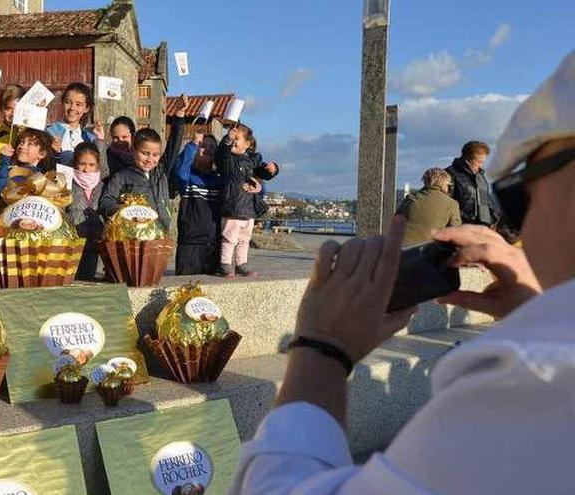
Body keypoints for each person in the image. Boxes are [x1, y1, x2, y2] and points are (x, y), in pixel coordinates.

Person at [230, 50, 575, 495]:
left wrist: (320, 349)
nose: (518, 226)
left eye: (515, 198)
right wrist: (539, 304)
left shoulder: (538, 383)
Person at [99, 95, 188, 232]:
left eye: (155, 155)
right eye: (145, 153)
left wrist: (180, 115)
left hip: (161, 231)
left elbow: (174, 146)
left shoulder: (160, 171)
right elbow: (106, 201)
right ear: (133, 151)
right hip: (133, 234)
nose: (150, 159)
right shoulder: (122, 176)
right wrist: (124, 210)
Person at [215, 123, 278, 278]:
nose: (234, 141)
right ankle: (225, 264)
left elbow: (263, 172)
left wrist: (273, 169)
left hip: (248, 207)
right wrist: (227, 139)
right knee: (229, 237)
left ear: (247, 144)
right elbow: (220, 153)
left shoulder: (252, 160)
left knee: (244, 239)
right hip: (232, 205)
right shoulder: (227, 159)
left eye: (237, 138)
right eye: (233, 138)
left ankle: (241, 264)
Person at [173, 132, 223, 275]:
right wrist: (193, 144)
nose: (207, 149)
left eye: (212, 147)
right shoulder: (188, 177)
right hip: (190, 245)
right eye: (203, 146)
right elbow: (180, 171)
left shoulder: (220, 179)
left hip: (214, 245)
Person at [68, 135, 109, 281]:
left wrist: (99, 141)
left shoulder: (102, 185)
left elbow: (104, 166)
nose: (86, 169)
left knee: (88, 279)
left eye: (91, 165)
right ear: (75, 163)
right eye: (82, 164)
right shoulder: (68, 183)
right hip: (73, 244)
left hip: (94, 242)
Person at [0, 128, 55, 204]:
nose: (22, 147)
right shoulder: (12, 167)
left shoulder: (35, 178)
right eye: (22, 142)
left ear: (41, 154)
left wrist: (4, 162)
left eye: (30, 144)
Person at [396, 167, 462, 246]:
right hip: (427, 252)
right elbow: (456, 233)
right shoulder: (452, 204)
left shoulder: (410, 198)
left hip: (401, 248)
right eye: (448, 185)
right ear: (444, 184)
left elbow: (396, 221)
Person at [445, 141, 502, 228]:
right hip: (461, 229)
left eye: (482, 162)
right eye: (479, 162)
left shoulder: (480, 177)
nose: (481, 166)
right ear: (467, 159)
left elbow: (487, 201)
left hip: (483, 228)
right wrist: (467, 219)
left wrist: (493, 217)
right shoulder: (449, 174)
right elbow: (446, 204)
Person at [46, 82, 97, 166]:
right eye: (68, 102)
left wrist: (100, 141)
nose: (72, 108)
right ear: (62, 103)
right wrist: (54, 154)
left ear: (86, 108)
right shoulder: (49, 132)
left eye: (78, 104)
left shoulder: (90, 138)